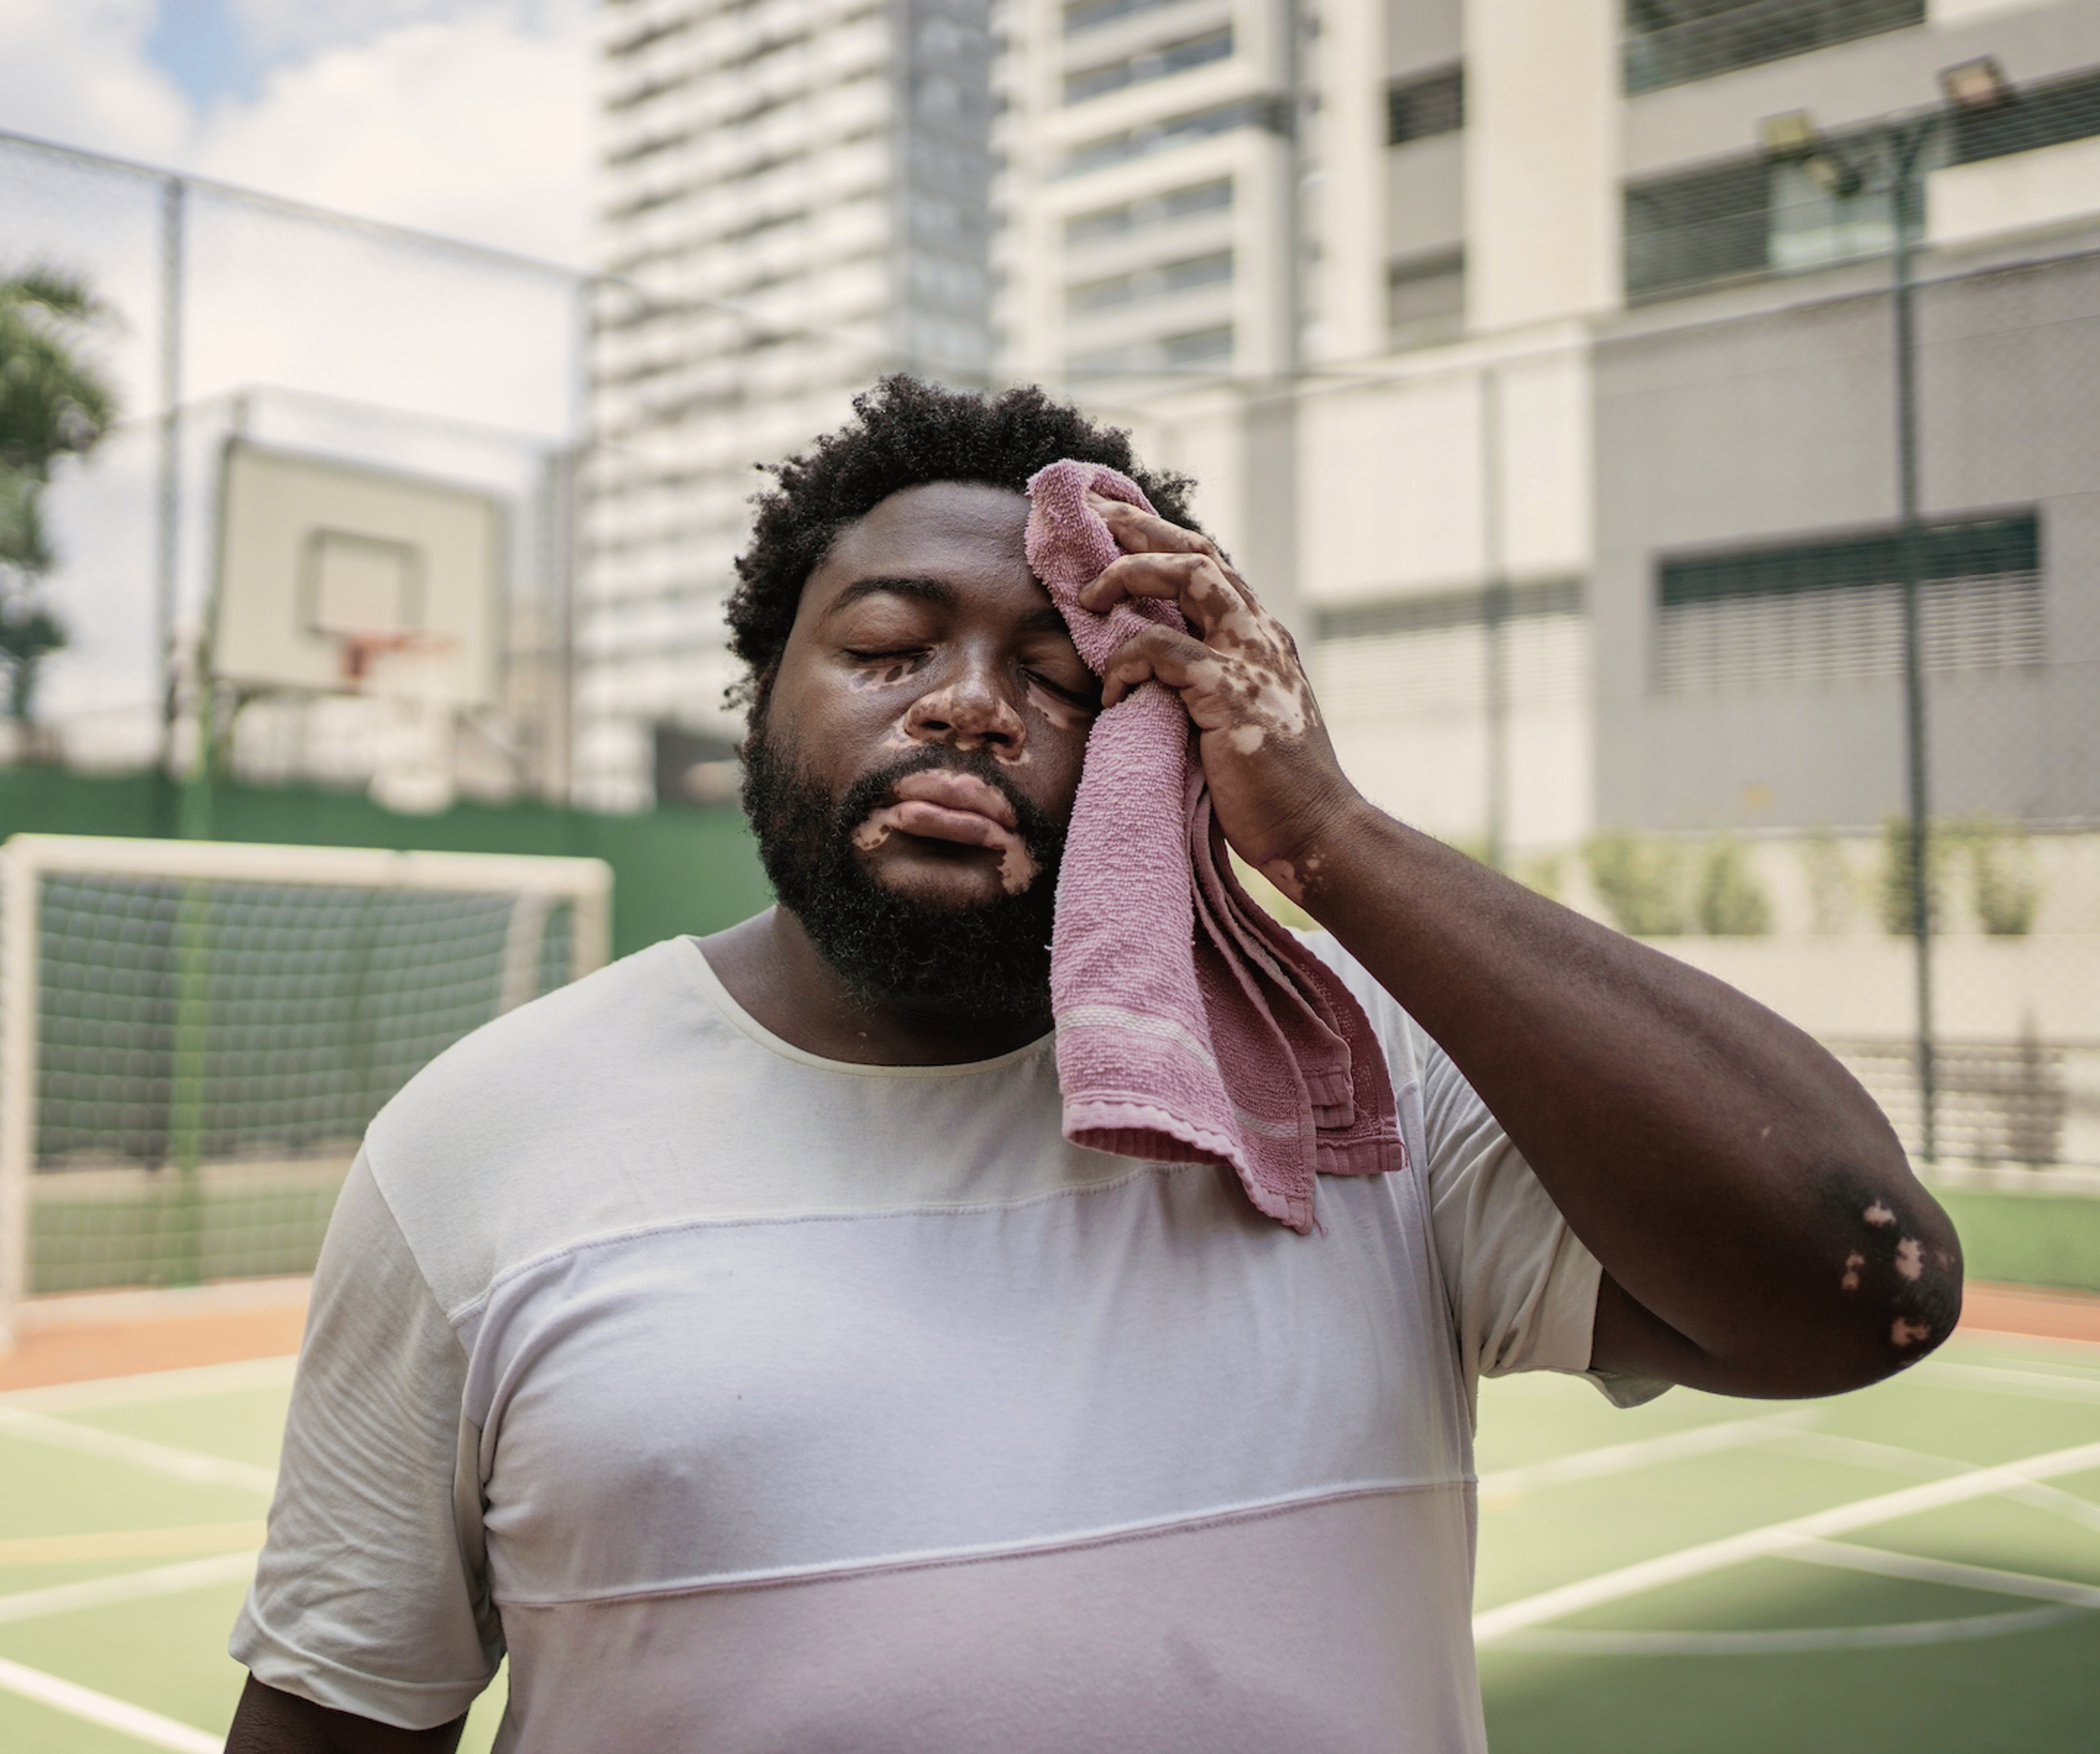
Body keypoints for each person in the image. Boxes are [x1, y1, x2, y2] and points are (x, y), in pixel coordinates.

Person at [224, 378, 1957, 1753]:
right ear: (766, 696)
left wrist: (1334, 836)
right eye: (891, 646)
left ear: (1162, 749)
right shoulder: (484, 1137)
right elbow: (334, 1713)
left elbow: (1861, 1281)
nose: (971, 705)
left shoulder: (1353, 1087)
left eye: (1060, 677)